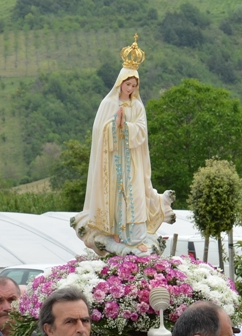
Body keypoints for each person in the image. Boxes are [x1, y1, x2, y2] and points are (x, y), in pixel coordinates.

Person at [71, 37, 174, 256]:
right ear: (120, 83)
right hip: (113, 161)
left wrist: (125, 126)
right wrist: (114, 127)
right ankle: (114, 234)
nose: (131, 88)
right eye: (128, 84)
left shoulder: (137, 105)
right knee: (116, 197)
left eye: (134, 85)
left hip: (133, 161)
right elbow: (100, 132)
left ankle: (135, 238)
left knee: (135, 195)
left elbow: (142, 130)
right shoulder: (108, 103)